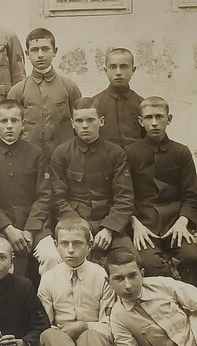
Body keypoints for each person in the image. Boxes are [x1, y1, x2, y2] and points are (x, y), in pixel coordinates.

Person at [38, 218, 117, 346]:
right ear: (56, 245)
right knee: (47, 335)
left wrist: (83, 325)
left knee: (89, 336)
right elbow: (45, 323)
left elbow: (110, 327)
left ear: (90, 246)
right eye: (64, 244)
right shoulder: (48, 279)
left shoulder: (101, 276)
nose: (70, 250)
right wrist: (62, 332)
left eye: (77, 243)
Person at [0, 99, 60, 284]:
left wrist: (30, 230)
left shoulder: (36, 153)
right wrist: (8, 229)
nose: (9, 126)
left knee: (51, 257)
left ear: (22, 124)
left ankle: (47, 309)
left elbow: (44, 195)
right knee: (0, 261)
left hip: (35, 226)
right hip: (0, 227)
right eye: (4, 121)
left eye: (14, 120)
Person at [125, 96, 197, 289]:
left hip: (175, 224)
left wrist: (183, 221)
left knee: (192, 259)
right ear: (140, 121)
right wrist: (135, 223)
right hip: (144, 226)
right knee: (153, 266)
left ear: (169, 119)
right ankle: (164, 310)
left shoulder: (181, 152)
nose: (154, 123)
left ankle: (194, 307)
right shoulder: (129, 153)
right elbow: (124, 195)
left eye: (159, 117)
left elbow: (190, 194)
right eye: (149, 117)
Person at [50, 97, 137, 259]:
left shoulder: (116, 153)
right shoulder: (62, 153)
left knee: (131, 260)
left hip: (108, 224)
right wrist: (80, 227)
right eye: (79, 120)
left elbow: (124, 198)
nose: (84, 126)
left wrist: (109, 229)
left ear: (101, 121)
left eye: (90, 120)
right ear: (72, 123)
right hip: (73, 226)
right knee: (65, 263)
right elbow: (57, 198)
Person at [7, 28, 81, 162]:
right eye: (34, 50)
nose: (40, 55)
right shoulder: (17, 91)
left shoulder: (69, 87)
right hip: (28, 158)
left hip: (64, 158)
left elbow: (79, 124)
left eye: (45, 49)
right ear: (27, 54)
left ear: (55, 51)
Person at [93, 48, 144, 148]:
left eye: (124, 67)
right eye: (113, 67)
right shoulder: (95, 104)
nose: (118, 72)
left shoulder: (141, 104)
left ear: (133, 70)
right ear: (105, 70)